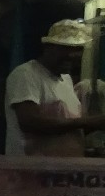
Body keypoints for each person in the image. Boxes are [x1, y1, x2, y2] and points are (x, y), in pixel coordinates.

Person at [6, 19, 102, 157]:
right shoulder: (26, 74)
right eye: (65, 48)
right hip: (32, 166)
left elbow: (69, 128)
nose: (72, 54)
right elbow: (29, 122)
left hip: (63, 166)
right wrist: (88, 122)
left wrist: (95, 125)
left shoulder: (66, 80)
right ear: (47, 47)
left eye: (77, 49)